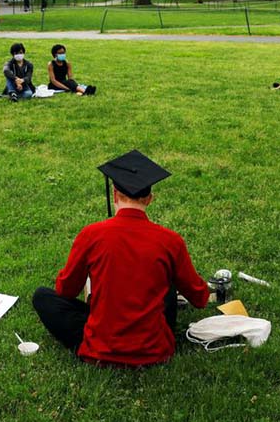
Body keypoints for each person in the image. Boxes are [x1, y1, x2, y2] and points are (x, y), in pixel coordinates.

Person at [33, 150, 210, 366]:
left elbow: (65, 290)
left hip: (100, 348)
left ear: (115, 195)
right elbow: (200, 298)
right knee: (169, 282)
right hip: (154, 350)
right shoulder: (170, 241)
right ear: (149, 199)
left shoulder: (91, 234)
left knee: (42, 296)